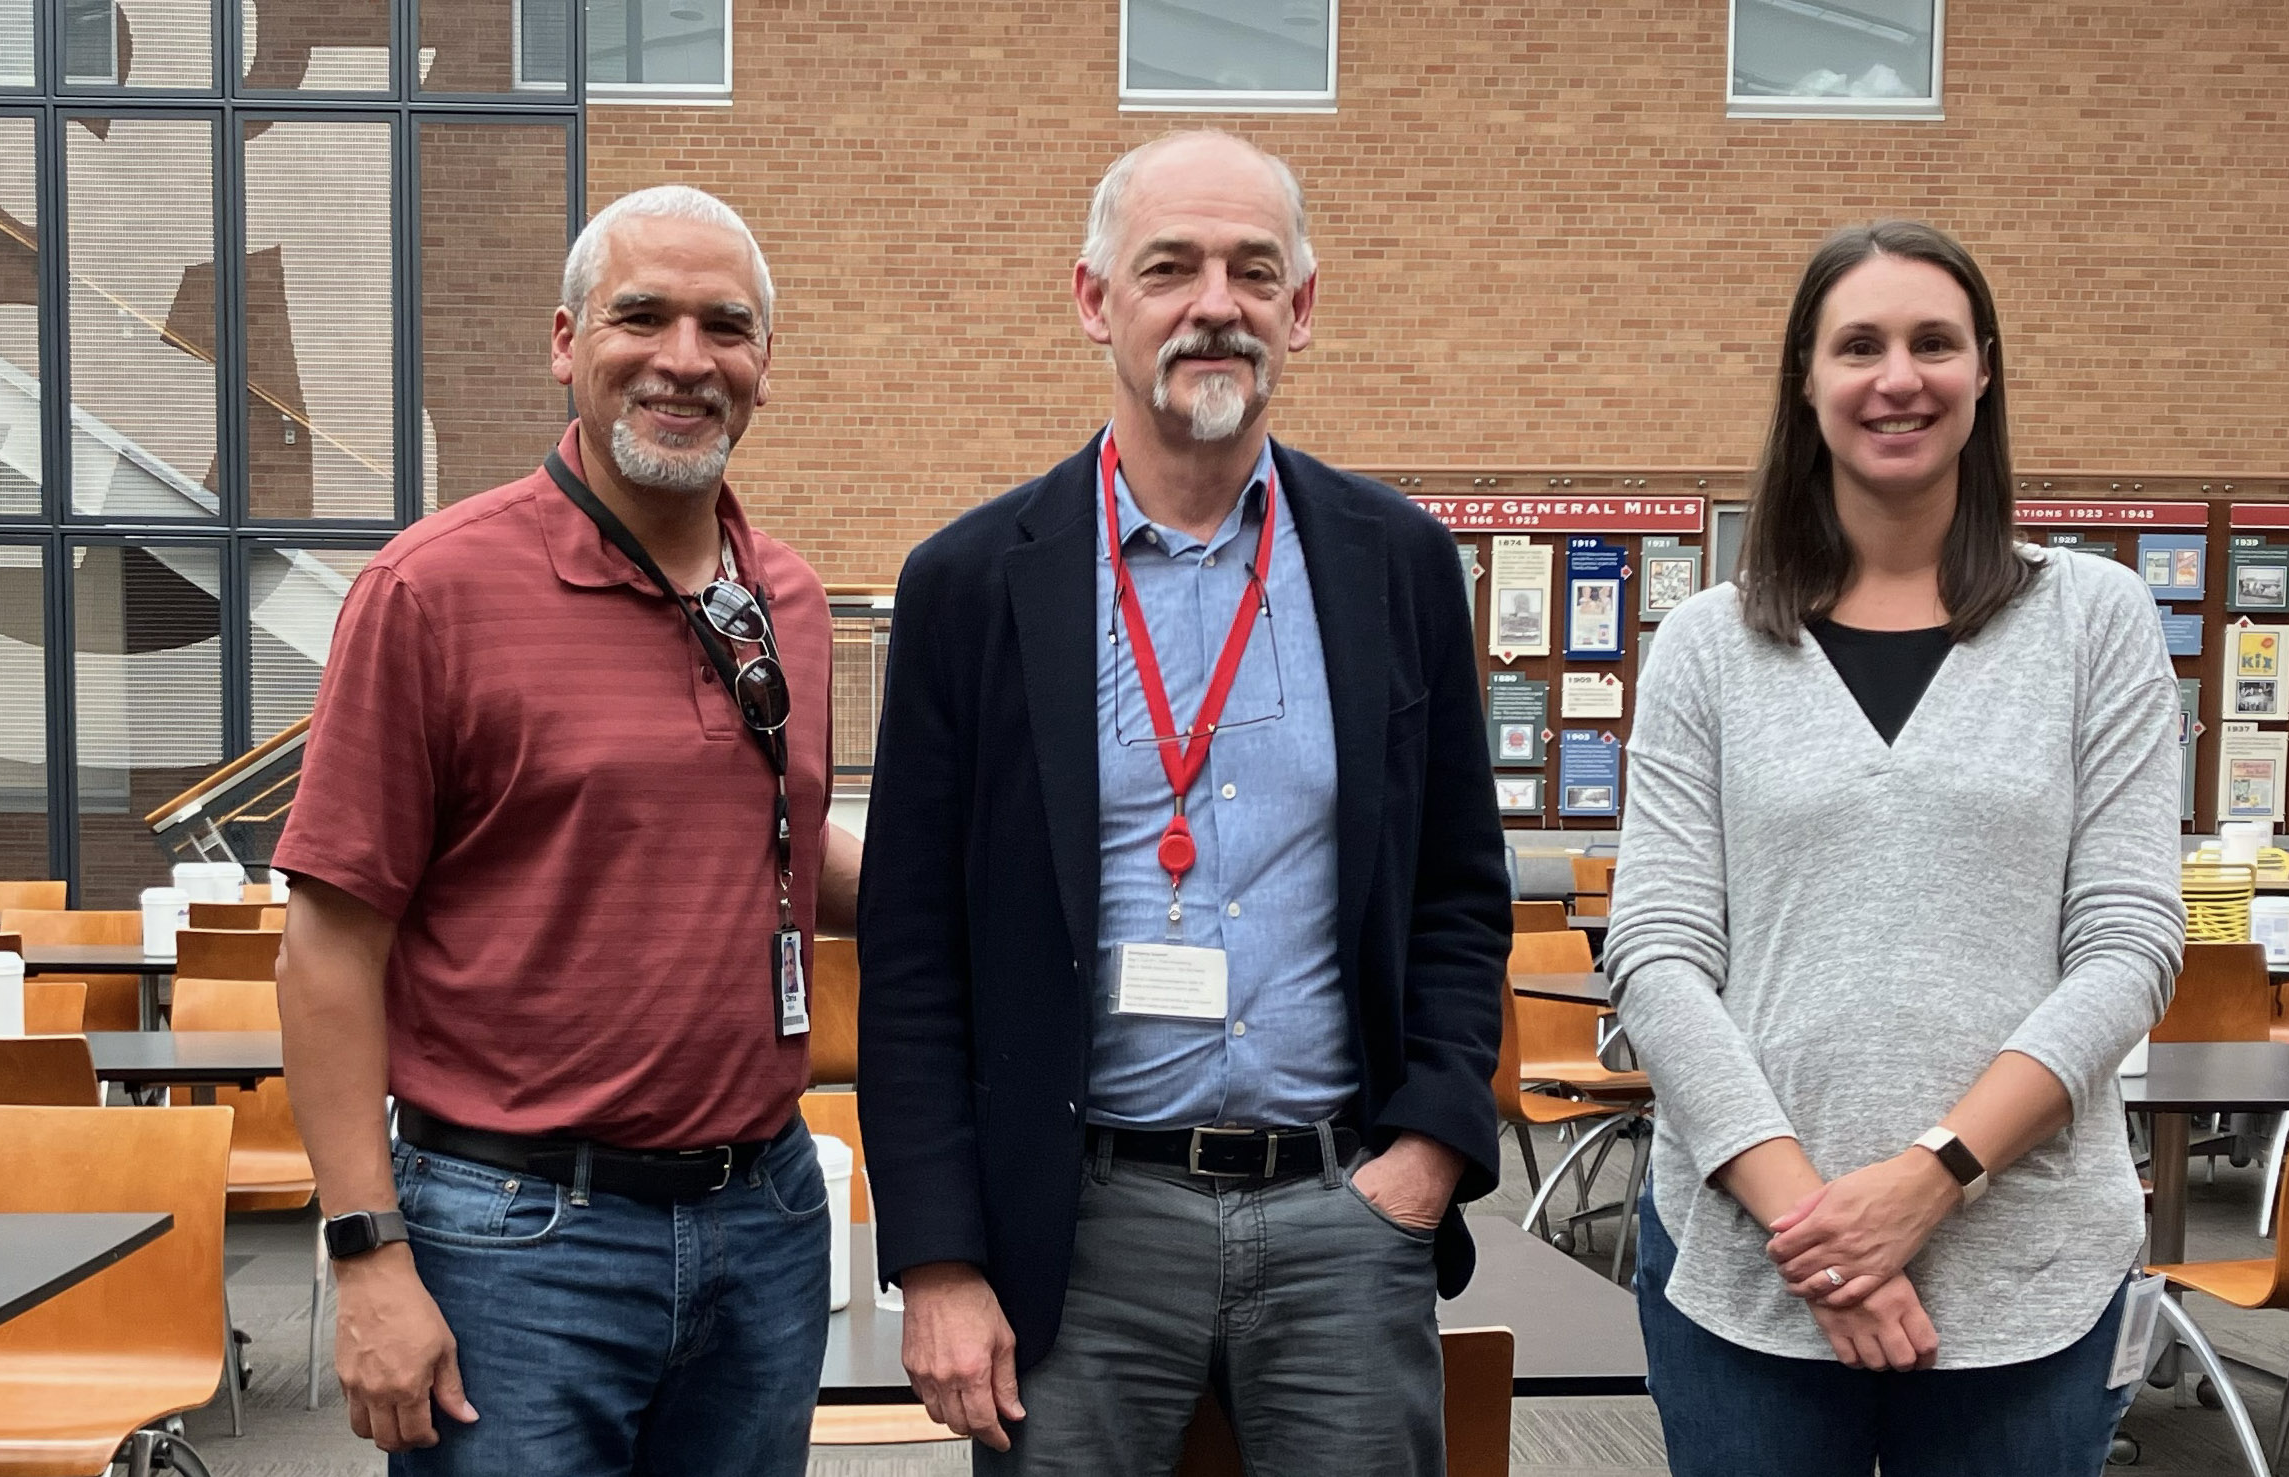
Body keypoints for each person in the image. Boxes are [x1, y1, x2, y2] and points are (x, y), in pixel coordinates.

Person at [858, 129, 1510, 1475]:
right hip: (1081, 1229)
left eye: (1252, 270)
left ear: (1301, 309)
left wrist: (1429, 1150)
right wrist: (935, 1256)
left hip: (1346, 1213)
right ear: (1096, 300)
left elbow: (1456, 889)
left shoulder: (1398, 565)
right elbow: (917, 952)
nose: (1215, 302)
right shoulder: (972, 584)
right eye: (1170, 267)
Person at [271, 184, 862, 1477]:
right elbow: (324, 949)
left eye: (725, 326)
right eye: (639, 316)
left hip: (762, 1220)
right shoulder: (430, 592)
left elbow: (775, 839)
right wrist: (367, 1257)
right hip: (514, 1240)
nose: (683, 360)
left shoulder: (793, 602)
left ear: (765, 363)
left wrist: (999, 881)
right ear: (563, 343)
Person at [1606, 219, 2183, 1476]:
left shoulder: (2096, 623)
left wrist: (1930, 1177)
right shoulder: (1708, 645)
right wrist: (1817, 1230)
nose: (1897, 377)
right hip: (1749, 1274)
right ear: (1804, 385)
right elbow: (1654, 953)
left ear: (1984, 372)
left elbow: (2130, 944)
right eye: (1857, 345)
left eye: (1933, 342)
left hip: (2022, 1268)